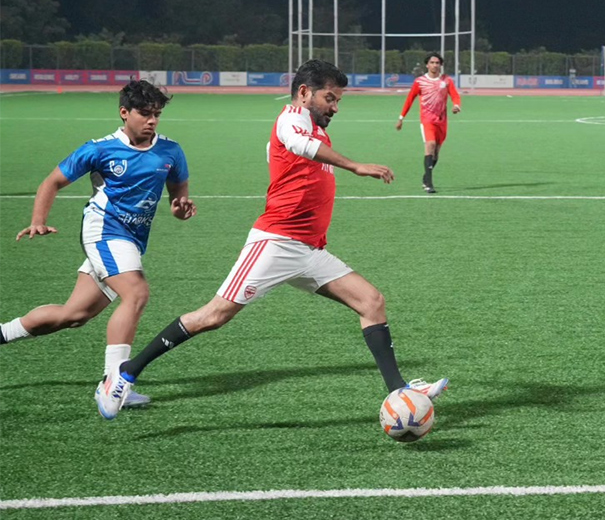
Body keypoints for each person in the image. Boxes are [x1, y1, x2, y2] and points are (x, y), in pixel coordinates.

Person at [96, 60, 447, 420]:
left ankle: (399, 391)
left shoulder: (313, 126)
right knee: (213, 316)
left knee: (371, 302)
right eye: (330, 97)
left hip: (308, 250)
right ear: (304, 93)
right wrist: (356, 165)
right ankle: (123, 375)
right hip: (275, 242)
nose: (335, 107)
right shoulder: (291, 118)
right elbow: (299, 145)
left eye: (338, 100)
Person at [1, 81, 195, 411]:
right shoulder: (100, 149)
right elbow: (53, 181)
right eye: (145, 113)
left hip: (131, 241)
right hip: (103, 231)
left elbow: (178, 199)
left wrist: (179, 209)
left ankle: (3, 333)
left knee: (73, 314)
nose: (152, 121)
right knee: (136, 293)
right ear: (124, 113)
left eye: (157, 115)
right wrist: (38, 218)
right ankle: (113, 383)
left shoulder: (171, 152)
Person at [396, 53, 461, 193]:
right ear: (427, 65)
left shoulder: (447, 80)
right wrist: (401, 117)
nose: (435, 65)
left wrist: (456, 105)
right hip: (427, 120)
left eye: (437, 63)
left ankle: (426, 177)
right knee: (430, 145)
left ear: (441, 65)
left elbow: (455, 95)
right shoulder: (419, 82)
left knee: (436, 153)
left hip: (442, 121)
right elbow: (410, 99)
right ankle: (429, 184)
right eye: (432, 62)